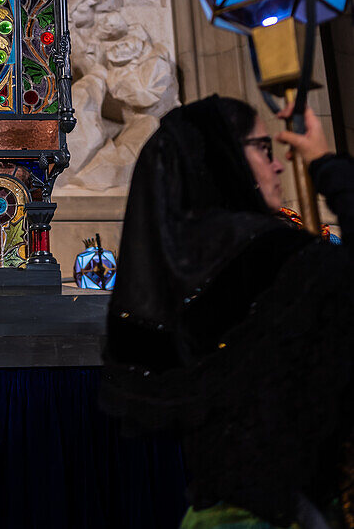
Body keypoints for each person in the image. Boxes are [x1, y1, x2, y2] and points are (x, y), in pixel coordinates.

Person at [101, 95, 354, 529]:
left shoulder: (181, 268)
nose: (277, 166)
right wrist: (326, 164)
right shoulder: (269, 255)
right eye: (263, 148)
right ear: (221, 159)